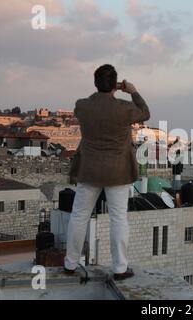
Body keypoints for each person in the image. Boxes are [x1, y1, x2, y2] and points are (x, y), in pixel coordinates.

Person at [65, 64, 150, 280]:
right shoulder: (124, 108)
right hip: (117, 171)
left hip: (89, 170)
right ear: (116, 84)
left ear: (95, 83)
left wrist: (106, 90)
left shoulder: (82, 106)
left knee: (79, 216)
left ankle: (70, 263)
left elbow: (87, 106)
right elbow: (146, 113)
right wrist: (132, 91)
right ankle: (120, 268)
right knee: (118, 218)